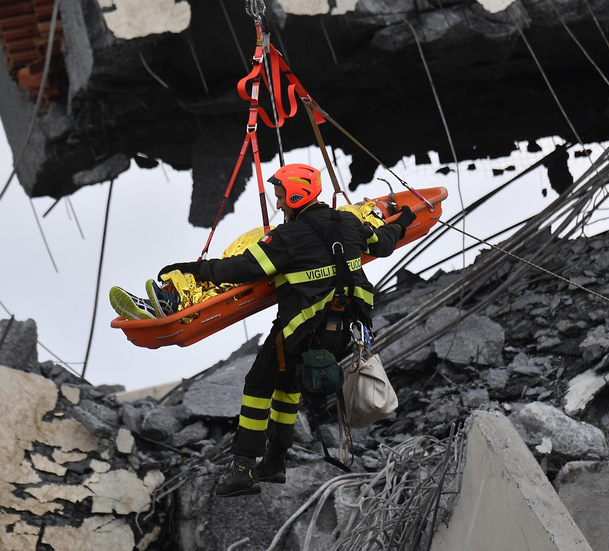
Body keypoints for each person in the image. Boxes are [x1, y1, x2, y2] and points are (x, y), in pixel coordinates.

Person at [112, 163, 415, 497]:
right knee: (287, 385)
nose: (279, 203)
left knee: (258, 385)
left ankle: (242, 467)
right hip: (346, 331)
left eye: (281, 195)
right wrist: (402, 221)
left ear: (298, 194)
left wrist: (193, 270)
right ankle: (274, 462)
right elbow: (383, 243)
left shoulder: (288, 237)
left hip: (302, 329)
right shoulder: (349, 223)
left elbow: (242, 267)